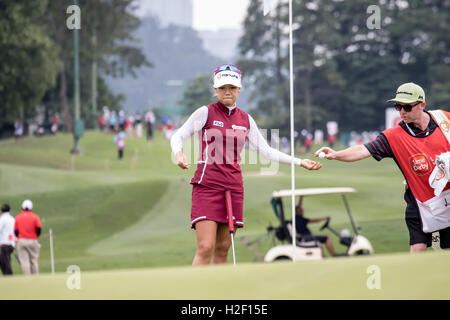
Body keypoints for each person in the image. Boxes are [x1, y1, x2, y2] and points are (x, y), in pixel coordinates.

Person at [170, 64, 322, 266]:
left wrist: (300, 161)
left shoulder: (246, 119)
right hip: (207, 186)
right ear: (215, 89)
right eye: (223, 88)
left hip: (233, 187)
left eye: (232, 88)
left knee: (223, 249)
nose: (227, 92)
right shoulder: (205, 113)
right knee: (206, 247)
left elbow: (267, 151)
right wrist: (178, 153)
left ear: (239, 89)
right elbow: (178, 135)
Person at [315, 82, 450, 252]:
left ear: (422, 105)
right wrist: (335, 154)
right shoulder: (393, 136)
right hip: (419, 203)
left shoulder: (444, 119)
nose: (402, 112)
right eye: (398, 106)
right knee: (418, 249)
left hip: (447, 198)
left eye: (407, 107)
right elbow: (363, 150)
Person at [14, 200, 42, 275]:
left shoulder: (17, 217)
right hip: (33, 240)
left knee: (24, 261)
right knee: (33, 260)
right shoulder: (35, 217)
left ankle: (27, 278)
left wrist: (20, 238)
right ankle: (35, 277)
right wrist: (35, 236)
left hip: (22, 241)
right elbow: (38, 229)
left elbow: (15, 231)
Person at [0, 204, 16, 276]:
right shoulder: (12, 218)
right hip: (11, 243)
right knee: (7, 260)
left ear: (1, 211)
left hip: (4, 243)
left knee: (4, 261)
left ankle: (8, 276)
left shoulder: (2, 219)